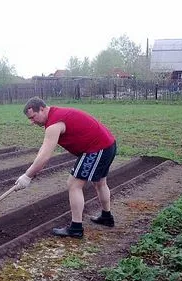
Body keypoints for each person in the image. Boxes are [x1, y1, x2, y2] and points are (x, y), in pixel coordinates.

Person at [14, 97, 117, 238]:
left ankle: (76, 228)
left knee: (74, 184)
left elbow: (44, 156)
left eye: (33, 117)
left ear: (42, 109)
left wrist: (27, 176)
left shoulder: (54, 124)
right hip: (107, 145)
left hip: (97, 148)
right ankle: (106, 217)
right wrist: (34, 170)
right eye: (29, 119)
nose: (32, 122)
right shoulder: (56, 115)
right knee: (100, 182)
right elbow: (43, 151)